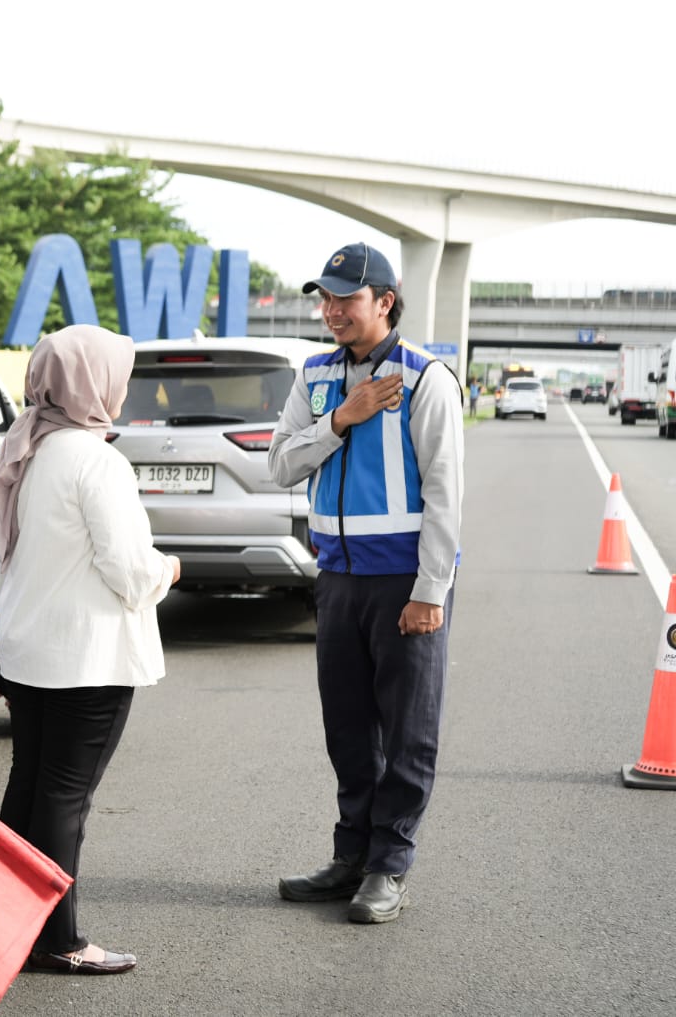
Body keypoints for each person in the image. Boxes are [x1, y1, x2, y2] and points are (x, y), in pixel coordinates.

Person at [268, 242, 464, 925]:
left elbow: (445, 493)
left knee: (408, 734)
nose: (332, 311)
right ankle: (350, 855)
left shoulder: (425, 378)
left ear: (385, 300)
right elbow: (280, 464)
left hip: (403, 581)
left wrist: (430, 591)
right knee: (348, 729)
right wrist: (341, 418)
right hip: (338, 579)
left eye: (346, 299)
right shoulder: (316, 374)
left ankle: (389, 865)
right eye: (325, 298)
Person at [0, 324, 181, 975]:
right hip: (86, 659)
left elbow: (17, 557)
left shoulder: (32, 448)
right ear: (93, 383)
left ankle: (13, 927)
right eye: (115, 374)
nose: (122, 387)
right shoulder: (96, 459)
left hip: (31, 651)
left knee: (30, 789)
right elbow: (126, 567)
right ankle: (60, 940)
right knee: (64, 799)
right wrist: (169, 569)